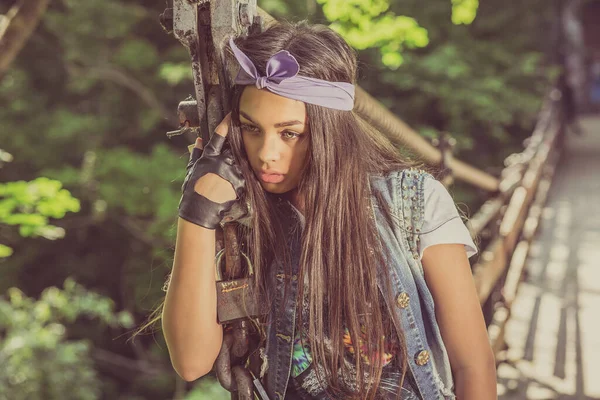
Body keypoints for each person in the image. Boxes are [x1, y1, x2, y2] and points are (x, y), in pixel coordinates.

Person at [161, 21, 497, 400]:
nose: (266, 154)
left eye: (290, 133)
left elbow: (473, 366)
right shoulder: (244, 217)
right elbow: (191, 362)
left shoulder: (413, 201)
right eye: (251, 128)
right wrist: (197, 210)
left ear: (329, 131)